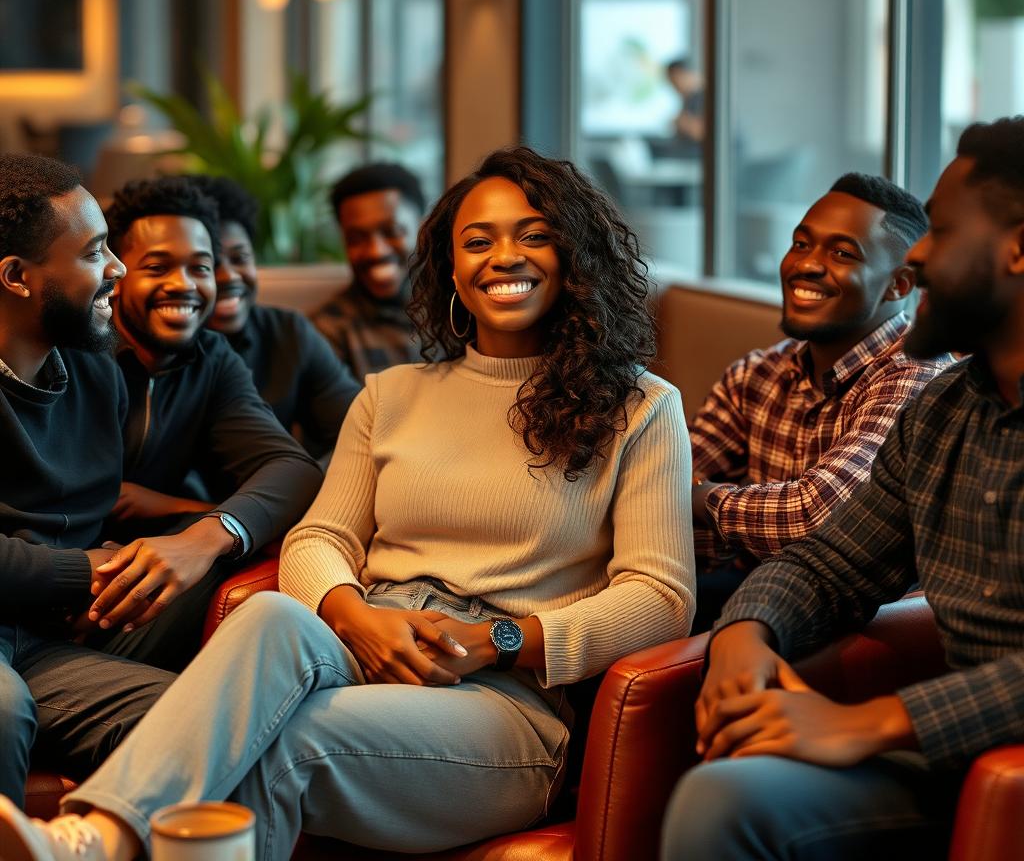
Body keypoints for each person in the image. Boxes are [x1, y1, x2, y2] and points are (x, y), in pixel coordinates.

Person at [0, 146, 695, 861]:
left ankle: (91, 840)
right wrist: (353, 615)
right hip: (366, 643)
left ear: (575, 253)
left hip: (501, 700)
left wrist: (499, 641)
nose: (503, 258)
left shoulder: (641, 409)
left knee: (275, 743)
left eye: (534, 235)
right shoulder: (391, 395)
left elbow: (660, 598)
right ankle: (91, 838)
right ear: (451, 267)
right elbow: (316, 539)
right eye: (477, 241)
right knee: (271, 612)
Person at [658, 116, 1024, 860]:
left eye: (943, 231)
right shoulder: (946, 409)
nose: (918, 255)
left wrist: (876, 721)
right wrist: (744, 635)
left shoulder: (909, 387)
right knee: (722, 798)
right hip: (946, 763)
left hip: (982, 751)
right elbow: (830, 561)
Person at [688, 173, 951, 631]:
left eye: (842, 253)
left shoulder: (919, 378)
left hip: (875, 627)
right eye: (801, 243)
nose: (805, 265)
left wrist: (698, 500)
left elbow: (820, 519)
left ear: (900, 285)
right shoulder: (756, 373)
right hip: (758, 595)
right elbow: (660, 489)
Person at [86, 176, 323, 672]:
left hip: (136, 579)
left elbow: (292, 467)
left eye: (201, 267)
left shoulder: (211, 358)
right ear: (117, 274)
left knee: (237, 550)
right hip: (59, 579)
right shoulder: (80, 349)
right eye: (158, 267)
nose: (184, 285)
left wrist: (206, 533)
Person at [0, 154, 173, 807]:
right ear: (17, 277)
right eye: (97, 251)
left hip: (47, 640)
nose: (119, 270)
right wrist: (85, 572)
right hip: (29, 630)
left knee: (192, 719)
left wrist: (211, 529)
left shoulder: (97, 372)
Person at [190, 175, 360, 459]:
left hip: (277, 499)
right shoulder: (157, 351)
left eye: (240, 258)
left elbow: (359, 430)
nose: (229, 276)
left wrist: (315, 484)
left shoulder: (287, 333)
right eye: (208, 264)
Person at [311, 161, 425, 380]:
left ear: (423, 229)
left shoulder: (461, 310)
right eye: (356, 239)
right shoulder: (327, 331)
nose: (376, 251)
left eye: (391, 231)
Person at [666, 58, 705, 152]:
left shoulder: (703, 95)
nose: (674, 87)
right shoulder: (688, 99)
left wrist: (682, 122)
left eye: (674, 81)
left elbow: (704, 132)